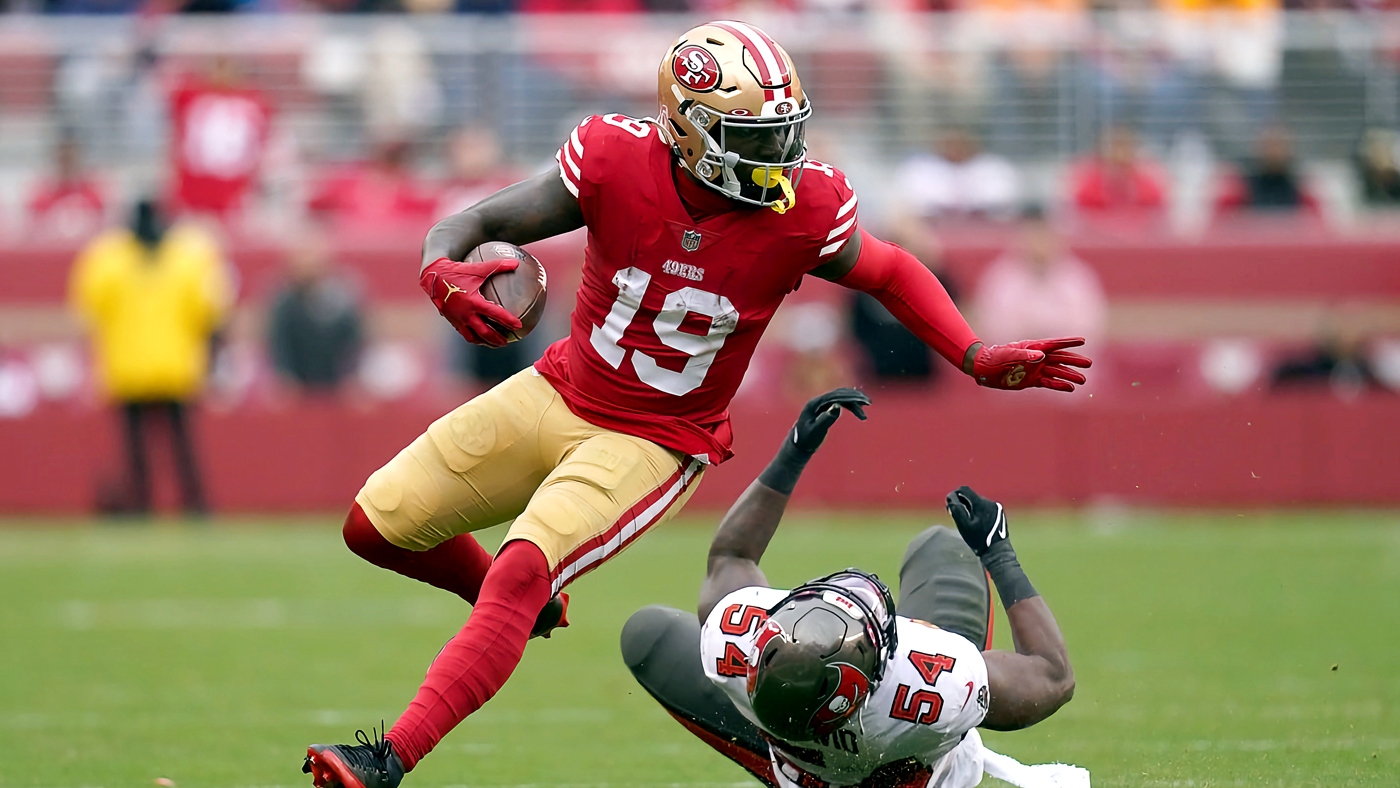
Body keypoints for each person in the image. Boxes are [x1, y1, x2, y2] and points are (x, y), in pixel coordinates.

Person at [303, 22, 1091, 788]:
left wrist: (973, 352)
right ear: (687, 132)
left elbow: (888, 270)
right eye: (754, 137)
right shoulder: (615, 158)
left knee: (522, 569)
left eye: (785, 132)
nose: (780, 156)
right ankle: (519, 607)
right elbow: (477, 221)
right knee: (374, 525)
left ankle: (388, 759)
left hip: (655, 438)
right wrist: (437, 266)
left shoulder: (803, 209)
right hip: (559, 387)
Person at [622, 389, 1085, 788]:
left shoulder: (735, 642)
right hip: (915, 768)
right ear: (877, 671)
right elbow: (1053, 676)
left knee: (647, 635)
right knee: (942, 545)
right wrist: (997, 551)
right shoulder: (933, 690)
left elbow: (732, 557)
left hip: (798, 757)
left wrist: (794, 451)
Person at [68, 199, 230, 516]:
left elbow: (88, 309)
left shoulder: (108, 259)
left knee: (157, 448)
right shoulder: (188, 257)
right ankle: (185, 504)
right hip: (163, 367)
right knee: (167, 448)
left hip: (147, 367)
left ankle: (157, 504)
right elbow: (211, 313)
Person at [972, 207, 1106, 348]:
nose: (1039, 243)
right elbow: (995, 326)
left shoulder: (1077, 278)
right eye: (1034, 236)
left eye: (1045, 236)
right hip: (1015, 360)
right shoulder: (1001, 278)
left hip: (1065, 359)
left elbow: (1088, 325)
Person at [267, 232, 365, 393]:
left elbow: (356, 344)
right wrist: (285, 379)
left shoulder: (344, 298)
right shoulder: (283, 302)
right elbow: (278, 346)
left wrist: (351, 378)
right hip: (297, 389)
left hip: (336, 388)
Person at [892, 127, 1022, 221]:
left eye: (960, 142)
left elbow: (1001, 201)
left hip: (984, 227)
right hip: (934, 229)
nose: (955, 148)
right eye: (949, 143)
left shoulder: (993, 167)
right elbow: (914, 204)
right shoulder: (920, 168)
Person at [26, 135, 108, 241]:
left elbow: (102, 228)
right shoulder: (43, 195)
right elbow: (34, 231)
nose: (67, 165)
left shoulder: (93, 193)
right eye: (63, 160)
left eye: (70, 159)